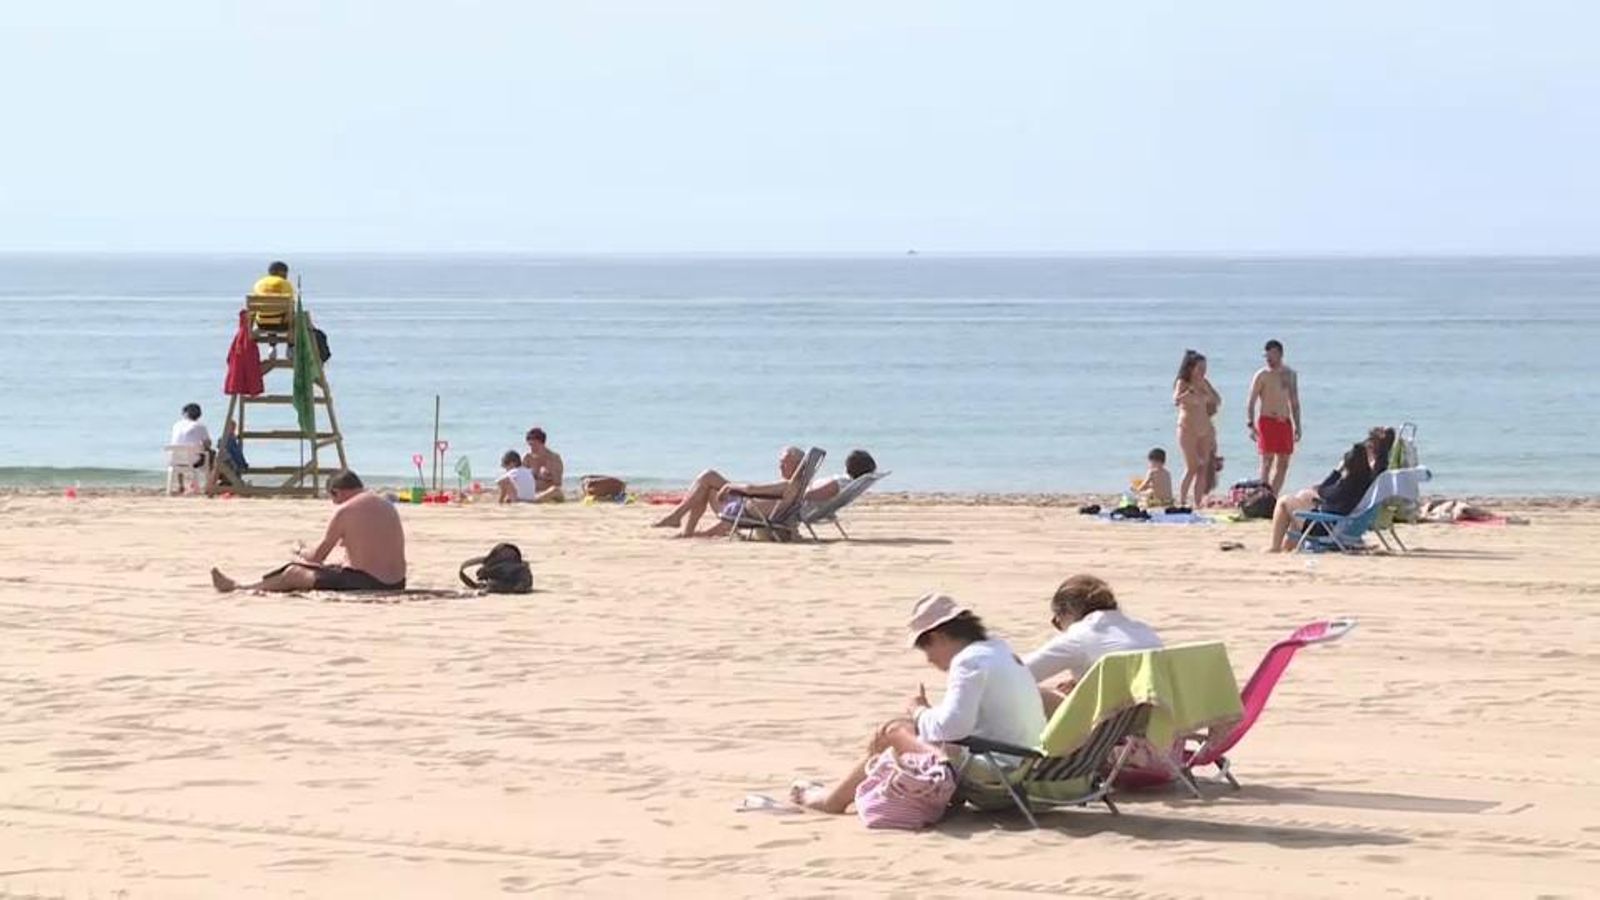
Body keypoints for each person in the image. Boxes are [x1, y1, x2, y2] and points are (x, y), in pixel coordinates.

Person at [790, 593, 1047, 814]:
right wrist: (924, 716)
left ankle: (832, 801)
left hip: (998, 774)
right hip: (1024, 768)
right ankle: (848, 794)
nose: (929, 659)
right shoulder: (998, 650)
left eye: (926, 648)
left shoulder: (969, 661)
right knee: (907, 729)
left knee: (895, 731)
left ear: (939, 636)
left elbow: (953, 728)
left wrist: (918, 711)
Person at [210, 470, 407, 592]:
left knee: (293, 572)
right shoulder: (385, 503)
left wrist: (301, 552)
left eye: (333, 498)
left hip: (369, 583)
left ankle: (240, 587)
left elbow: (317, 558)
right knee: (331, 567)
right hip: (397, 582)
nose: (334, 503)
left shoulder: (345, 511)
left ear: (336, 492)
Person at [1023, 575, 1164, 715]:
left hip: (1106, 723)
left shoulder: (1079, 636)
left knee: (1035, 693)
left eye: (1057, 621)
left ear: (1067, 613)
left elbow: (1019, 673)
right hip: (1156, 720)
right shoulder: (1143, 630)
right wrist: (1083, 683)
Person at [651, 445, 802, 537]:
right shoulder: (796, 486)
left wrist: (730, 487)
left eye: (785, 463)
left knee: (708, 479)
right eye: (780, 463)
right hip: (744, 506)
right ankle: (681, 524)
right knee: (707, 480)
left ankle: (679, 521)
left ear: (797, 465)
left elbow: (751, 489)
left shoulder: (789, 485)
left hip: (742, 511)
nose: (780, 467)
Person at [1267, 442, 1376, 552]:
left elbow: (1323, 491)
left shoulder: (1347, 486)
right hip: (1334, 522)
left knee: (1283, 501)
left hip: (1324, 527)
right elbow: (1326, 494)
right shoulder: (1364, 482)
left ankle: (1275, 547)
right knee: (1304, 494)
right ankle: (1289, 545)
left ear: (1348, 466)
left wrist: (1337, 471)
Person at [1246, 339, 1302, 496]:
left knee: (1283, 463)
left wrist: (1298, 425)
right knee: (1267, 461)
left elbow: (1294, 402)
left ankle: (1273, 496)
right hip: (1267, 421)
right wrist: (1250, 424)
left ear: (1280, 354)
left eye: (1272, 355)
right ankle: (1263, 495)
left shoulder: (1290, 374)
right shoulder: (1262, 375)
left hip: (1284, 422)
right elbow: (1251, 401)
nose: (1269, 359)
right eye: (1267, 356)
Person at [1173, 350, 1222, 506]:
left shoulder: (1204, 383)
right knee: (1192, 466)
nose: (1203, 371)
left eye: (1204, 368)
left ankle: (1198, 502)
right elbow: (1176, 400)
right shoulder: (1183, 382)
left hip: (1205, 429)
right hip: (1187, 428)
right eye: (1199, 368)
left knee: (1203, 467)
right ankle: (1182, 501)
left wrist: (1206, 394)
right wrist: (1190, 393)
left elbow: (1217, 399)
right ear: (1191, 368)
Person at [168, 403, 213, 494]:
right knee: (211, 454)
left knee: (181, 453)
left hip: (173, 458)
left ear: (184, 413)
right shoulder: (200, 426)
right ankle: (209, 484)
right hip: (192, 460)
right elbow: (208, 444)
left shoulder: (176, 425)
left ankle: (181, 485)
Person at [522, 428, 566, 503]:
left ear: (542, 443)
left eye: (534, 445)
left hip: (548, 493)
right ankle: (532, 500)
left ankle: (533, 501)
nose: (531, 448)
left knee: (555, 490)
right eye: (530, 445)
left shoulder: (554, 459)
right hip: (533, 493)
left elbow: (558, 483)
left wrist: (545, 477)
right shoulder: (527, 458)